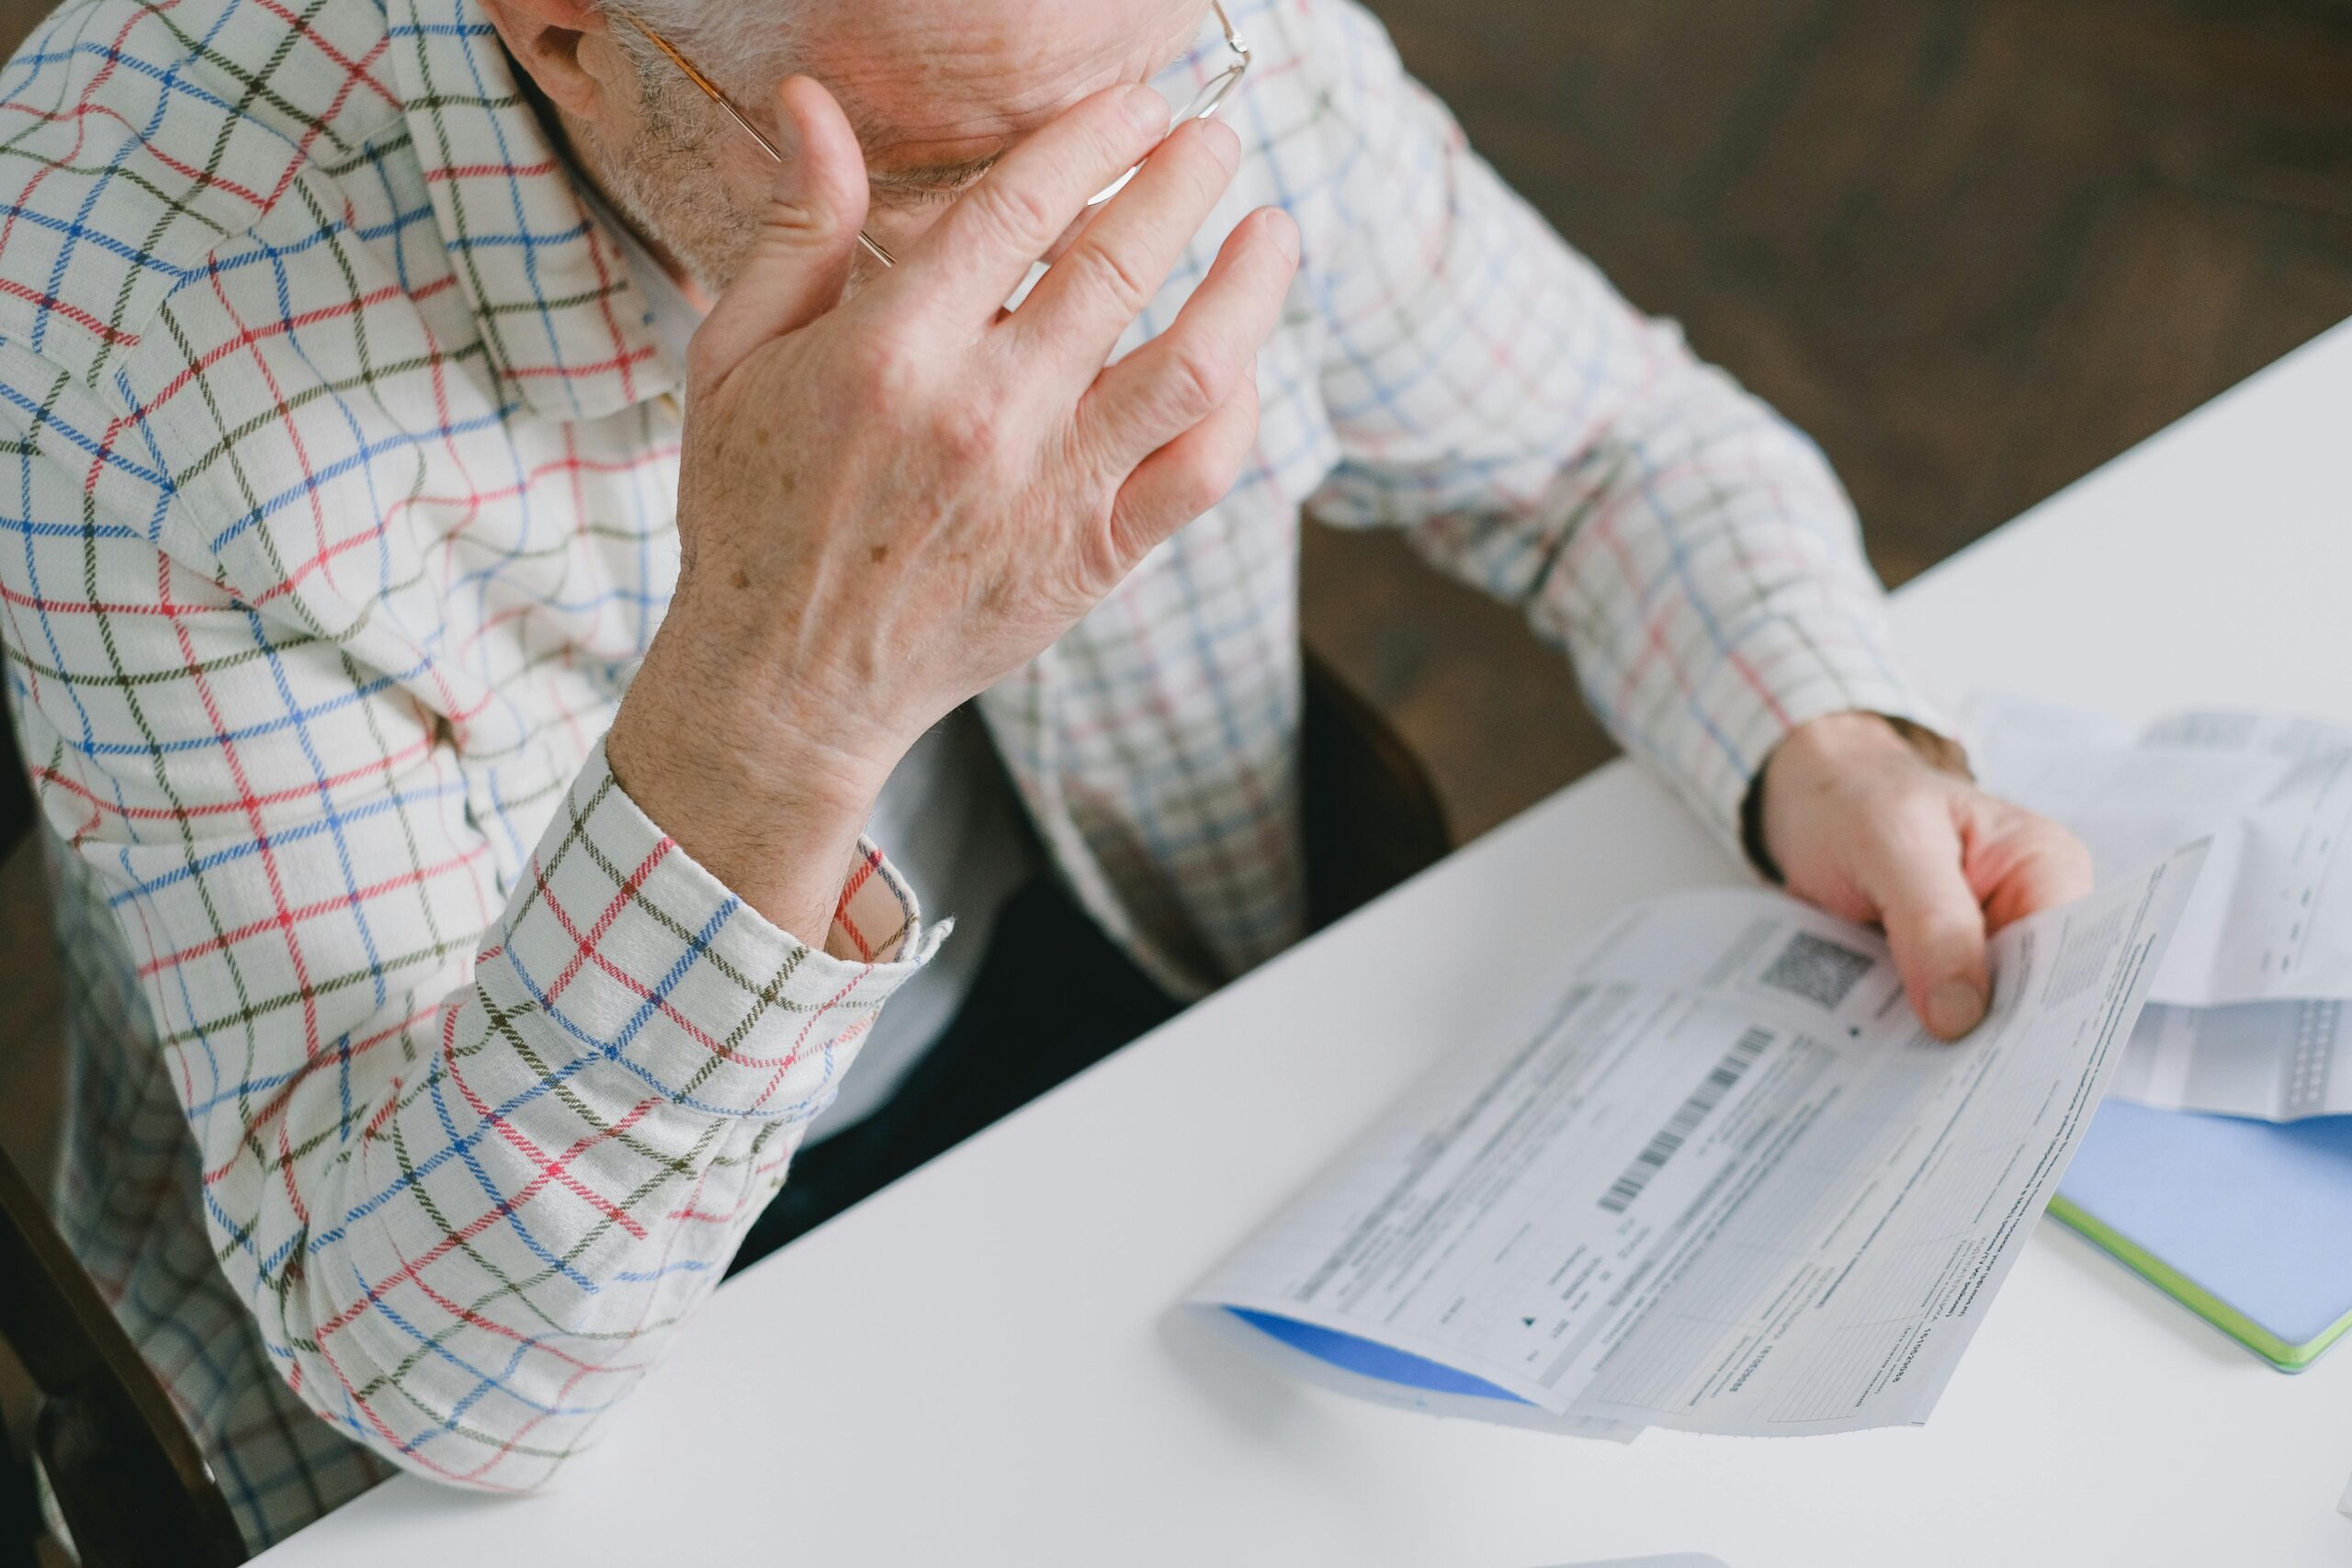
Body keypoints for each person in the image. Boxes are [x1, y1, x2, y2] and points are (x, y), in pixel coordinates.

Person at [0, 0, 2089, 1549]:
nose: (1101, 247)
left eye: (1138, 132)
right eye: (960, 189)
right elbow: (437, 1368)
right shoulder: (131, 317)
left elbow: (1611, 445)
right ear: (569, 37)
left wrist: (1821, 734)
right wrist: (779, 695)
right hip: (489, 1362)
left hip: (1117, 1023)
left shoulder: (1148, 46)